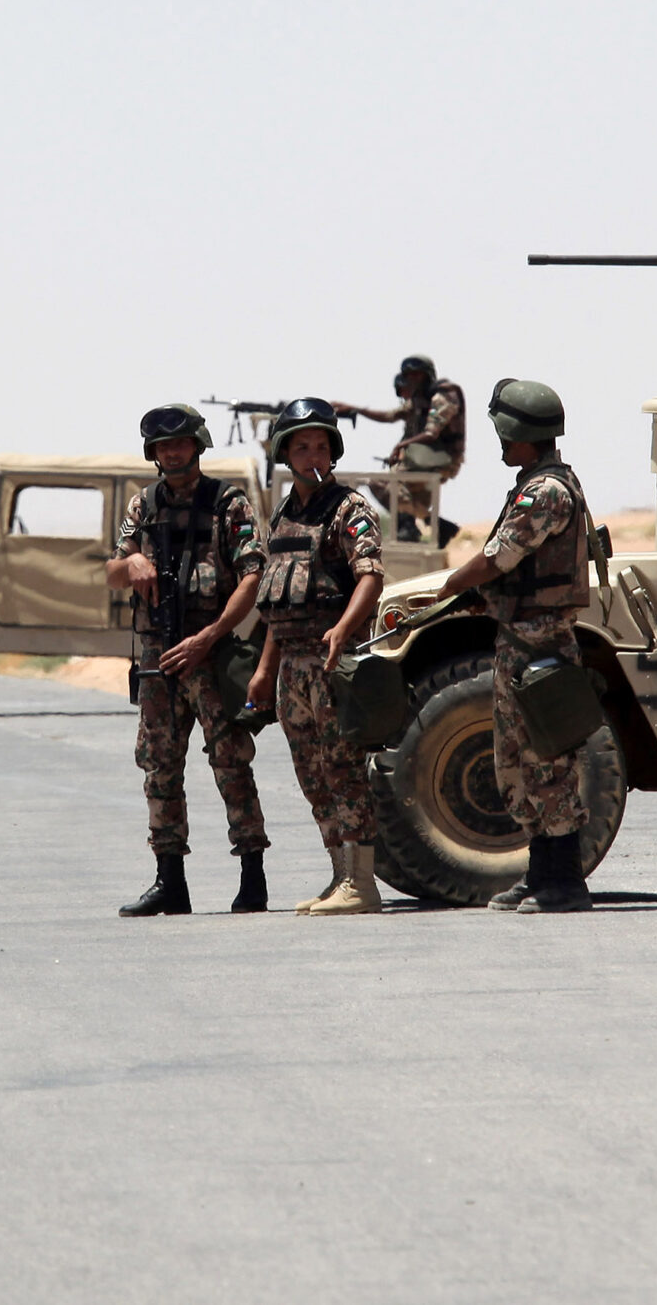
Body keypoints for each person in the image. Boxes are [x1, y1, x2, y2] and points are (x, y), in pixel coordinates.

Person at [433, 378, 596, 913]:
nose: (500, 444)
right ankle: (540, 873)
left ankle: (566, 881)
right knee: (517, 766)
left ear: (524, 433)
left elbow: (498, 557)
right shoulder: (533, 482)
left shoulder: (546, 491)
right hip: (519, 641)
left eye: (505, 434)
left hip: (542, 646)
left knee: (549, 765)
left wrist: (455, 583)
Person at [108, 404, 272, 917]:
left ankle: (252, 875)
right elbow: (113, 571)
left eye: (179, 444)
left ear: (198, 446)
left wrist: (212, 635)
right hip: (159, 655)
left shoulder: (228, 504)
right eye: (161, 447)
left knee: (231, 763)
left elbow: (253, 575)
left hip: (210, 651)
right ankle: (169, 880)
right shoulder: (144, 505)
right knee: (159, 766)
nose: (171, 454)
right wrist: (130, 561)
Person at [246, 398, 387, 915]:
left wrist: (343, 631)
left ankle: (363, 885)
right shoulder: (283, 515)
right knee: (312, 775)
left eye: (321, 446)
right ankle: (339, 878)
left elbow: (370, 575)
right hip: (291, 668)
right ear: (285, 452)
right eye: (301, 446)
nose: (312, 455)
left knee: (344, 770)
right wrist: (264, 671)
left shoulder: (350, 508)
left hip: (332, 663)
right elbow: (275, 603)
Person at [332, 355, 465, 543]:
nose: (411, 380)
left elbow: (432, 433)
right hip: (423, 461)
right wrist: (357, 410)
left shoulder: (443, 395)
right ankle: (432, 524)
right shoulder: (419, 400)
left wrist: (401, 446)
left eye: (416, 375)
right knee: (385, 485)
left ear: (427, 376)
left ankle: (413, 526)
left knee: (385, 481)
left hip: (442, 460)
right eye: (408, 376)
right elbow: (390, 416)